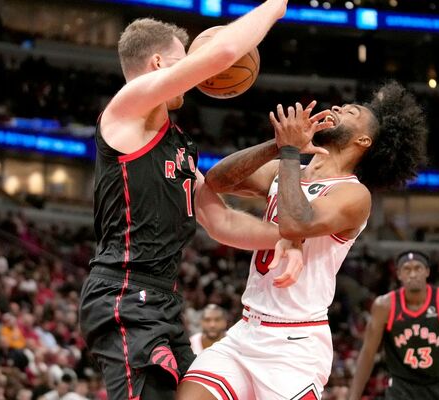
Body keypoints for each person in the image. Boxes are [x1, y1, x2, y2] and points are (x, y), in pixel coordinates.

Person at [78, 3, 290, 399]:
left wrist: (288, 237)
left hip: (163, 300)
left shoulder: (180, 145)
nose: (193, 72)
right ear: (159, 63)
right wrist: (272, 8)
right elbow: (225, 54)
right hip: (125, 294)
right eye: (183, 61)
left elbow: (221, 222)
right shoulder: (127, 107)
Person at [177, 82, 427, 400]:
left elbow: (295, 222)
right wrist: (279, 145)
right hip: (245, 330)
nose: (336, 109)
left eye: (350, 112)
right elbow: (218, 180)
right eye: (340, 106)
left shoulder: (353, 193)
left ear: (364, 140)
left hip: (295, 344)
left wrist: (291, 152)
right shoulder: (287, 170)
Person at [348, 251, 439, 400]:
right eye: (407, 269)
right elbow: (368, 353)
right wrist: (353, 397)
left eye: (418, 268)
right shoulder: (384, 306)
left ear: (427, 271)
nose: (412, 274)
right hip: (401, 388)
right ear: (399, 274)